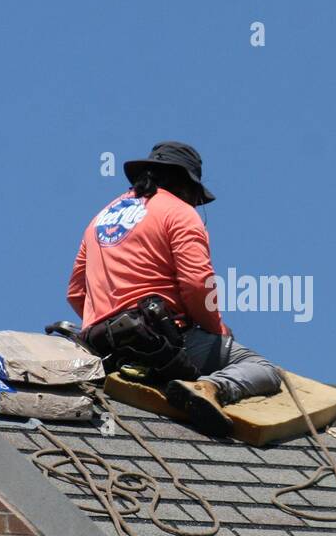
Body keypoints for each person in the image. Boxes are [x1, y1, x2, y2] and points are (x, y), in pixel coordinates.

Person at [67, 141, 281, 436]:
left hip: (102, 349)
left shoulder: (99, 219)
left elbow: (76, 292)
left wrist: (110, 322)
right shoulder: (179, 212)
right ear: (186, 184)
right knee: (262, 368)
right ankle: (209, 388)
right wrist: (217, 331)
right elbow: (197, 284)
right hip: (160, 343)